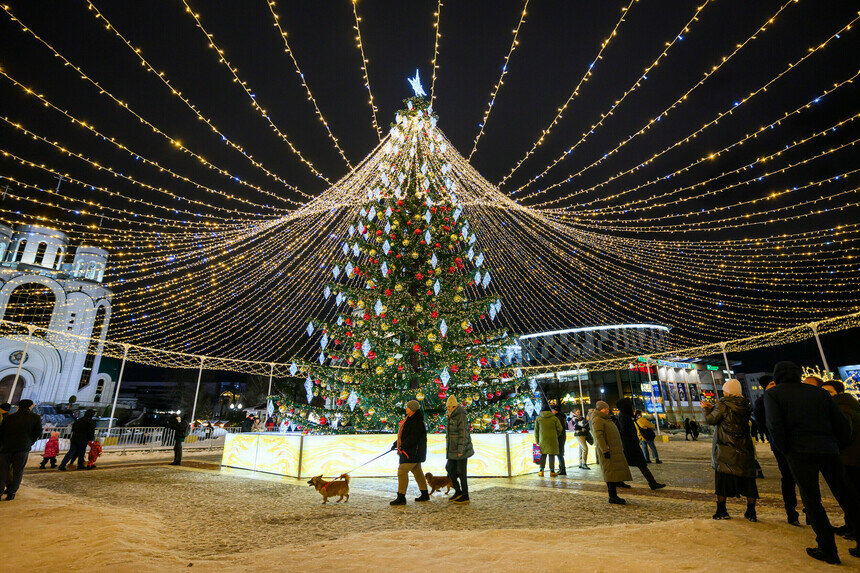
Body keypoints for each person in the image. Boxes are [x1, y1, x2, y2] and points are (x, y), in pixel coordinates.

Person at [765, 361, 860, 564]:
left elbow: (774, 425)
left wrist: (786, 450)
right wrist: (837, 445)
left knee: (812, 500)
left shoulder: (774, 394)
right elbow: (842, 425)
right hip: (828, 449)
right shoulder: (819, 393)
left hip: (799, 452)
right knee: (846, 495)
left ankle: (827, 548)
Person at [703, 379, 759, 522]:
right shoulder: (745, 405)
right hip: (744, 447)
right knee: (748, 481)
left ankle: (722, 510)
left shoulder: (723, 404)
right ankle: (751, 512)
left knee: (723, 480)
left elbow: (711, 420)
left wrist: (707, 408)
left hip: (726, 448)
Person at [753, 374, 801, 526]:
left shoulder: (786, 397)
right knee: (788, 477)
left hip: (797, 443)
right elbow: (761, 424)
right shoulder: (763, 401)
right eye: (772, 383)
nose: (774, 386)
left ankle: (809, 511)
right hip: (780, 445)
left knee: (803, 477)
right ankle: (791, 512)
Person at [821, 379, 860, 538]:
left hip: (849, 459)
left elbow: (844, 434)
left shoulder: (841, 408)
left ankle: (856, 530)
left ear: (839, 393)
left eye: (829, 392)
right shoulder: (849, 405)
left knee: (853, 495)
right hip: (851, 458)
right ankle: (850, 525)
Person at [616, 398, 666, 490]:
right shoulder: (624, 416)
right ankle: (652, 483)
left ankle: (652, 482)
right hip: (630, 445)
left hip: (631, 443)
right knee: (639, 464)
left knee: (637, 464)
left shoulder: (625, 415)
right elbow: (625, 430)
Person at [590, 401, 632, 504]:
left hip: (614, 450)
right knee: (610, 472)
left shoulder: (606, 419)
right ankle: (612, 496)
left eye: (607, 408)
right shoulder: (598, 420)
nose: (607, 410)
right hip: (607, 450)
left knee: (613, 472)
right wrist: (605, 450)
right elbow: (599, 436)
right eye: (605, 408)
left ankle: (614, 493)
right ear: (600, 409)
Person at [0, 399, 42, 500]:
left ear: (18, 406)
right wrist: (29, 442)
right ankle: (12, 492)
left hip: (6, 448)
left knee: (2, 470)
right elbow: (37, 433)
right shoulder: (35, 417)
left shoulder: (9, 417)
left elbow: (1, 432)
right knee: (18, 471)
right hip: (22, 448)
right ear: (30, 407)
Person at [390, 400, 429, 506]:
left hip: (413, 452)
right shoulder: (410, 419)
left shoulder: (416, 421)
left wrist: (402, 446)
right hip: (413, 452)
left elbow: (413, 438)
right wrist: (396, 444)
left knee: (402, 471)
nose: (406, 408)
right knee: (417, 471)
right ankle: (425, 493)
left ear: (412, 409)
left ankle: (401, 496)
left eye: (407, 407)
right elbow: (405, 435)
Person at [445, 395, 474, 504]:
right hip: (453, 449)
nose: (448, 409)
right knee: (449, 468)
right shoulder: (452, 416)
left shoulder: (460, 415)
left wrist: (461, 449)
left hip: (461, 448)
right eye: (447, 407)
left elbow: (463, 433)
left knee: (462, 473)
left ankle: (465, 495)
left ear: (454, 406)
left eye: (450, 407)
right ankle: (458, 491)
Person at [535, 404, 563, 477]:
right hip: (553, 438)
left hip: (542, 439)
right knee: (551, 455)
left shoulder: (538, 418)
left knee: (543, 455)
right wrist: (556, 435)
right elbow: (560, 428)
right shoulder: (554, 418)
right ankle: (552, 471)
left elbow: (536, 431)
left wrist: (537, 440)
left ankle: (541, 471)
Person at [553, 405, 568, 475]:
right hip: (562, 436)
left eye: (553, 410)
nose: (552, 411)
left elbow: (560, 428)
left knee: (559, 453)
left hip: (560, 437)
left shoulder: (558, 418)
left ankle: (563, 469)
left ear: (556, 410)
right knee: (560, 453)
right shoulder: (561, 417)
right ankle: (561, 468)